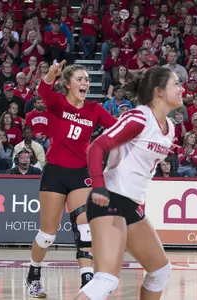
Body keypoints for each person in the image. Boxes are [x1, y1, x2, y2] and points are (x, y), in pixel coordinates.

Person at [75, 66, 181, 300]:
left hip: (131, 205)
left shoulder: (170, 128)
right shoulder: (138, 116)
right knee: (105, 280)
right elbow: (96, 147)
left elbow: (143, 149)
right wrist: (99, 186)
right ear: (159, 92)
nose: (182, 88)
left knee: (160, 271)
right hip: (110, 197)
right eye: (176, 83)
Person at [27, 60, 117, 297]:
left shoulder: (95, 109)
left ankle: (87, 280)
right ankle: (33, 274)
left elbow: (117, 128)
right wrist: (50, 75)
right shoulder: (57, 103)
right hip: (55, 172)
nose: (85, 83)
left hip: (81, 173)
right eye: (80, 79)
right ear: (67, 84)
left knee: (85, 228)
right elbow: (42, 91)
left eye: (87, 79)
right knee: (47, 235)